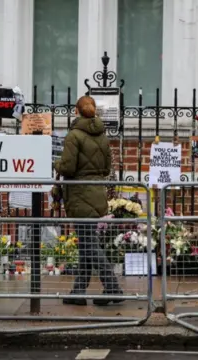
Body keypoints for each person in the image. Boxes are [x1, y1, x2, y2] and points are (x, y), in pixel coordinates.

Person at [55, 95, 123, 306]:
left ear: (76, 111)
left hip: (79, 193)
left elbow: (67, 167)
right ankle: (78, 291)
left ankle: (112, 287)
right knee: (86, 244)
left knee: (89, 244)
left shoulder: (74, 135)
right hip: (96, 192)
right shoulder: (102, 135)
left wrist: (57, 164)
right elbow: (105, 168)